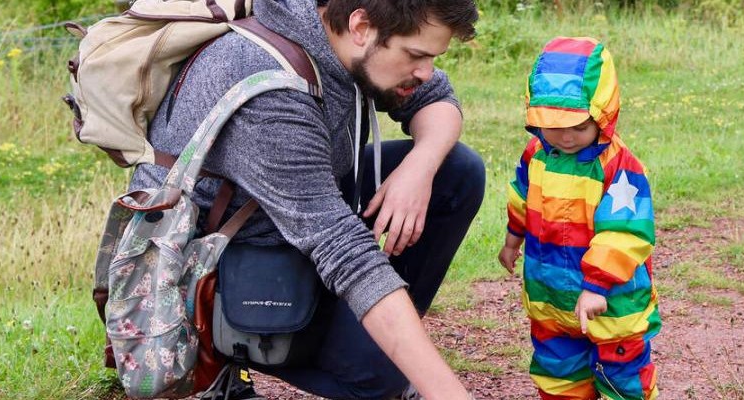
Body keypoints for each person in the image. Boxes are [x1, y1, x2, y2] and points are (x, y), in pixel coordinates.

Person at [129, 0, 484, 398]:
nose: (426, 71)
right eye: (417, 55)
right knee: (381, 375)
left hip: (300, 208)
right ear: (361, 26)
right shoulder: (270, 94)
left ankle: (394, 334)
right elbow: (344, 250)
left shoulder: (334, 30)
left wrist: (420, 166)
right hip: (218, 257)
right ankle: (218, 357)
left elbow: (436, 99)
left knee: (456, 174)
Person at [497, 37, 661, 400]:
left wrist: (596, 286)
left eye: (578, 125)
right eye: (554, 125)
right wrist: (513, 239)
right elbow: (522, 198)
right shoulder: (537, 155)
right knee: (559, 375)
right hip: (552, 297)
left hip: (611, 306)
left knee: (623, 378)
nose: (566, 137)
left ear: (602, 115)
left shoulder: (618, 168)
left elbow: (624, 233)